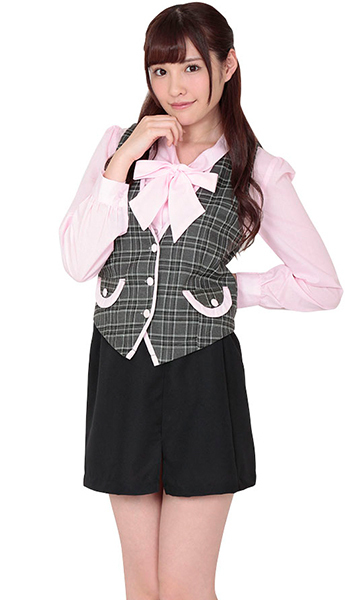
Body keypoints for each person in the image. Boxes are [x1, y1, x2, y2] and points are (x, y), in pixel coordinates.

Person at [58, 2, 344, 599]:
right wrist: (120, 165)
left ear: (228, 65)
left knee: (185, 586)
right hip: (120, 369)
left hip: (202, 375)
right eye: (160, 71)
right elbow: (79, 262)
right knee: (142, 588)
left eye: (191, 67)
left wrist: (224, 291)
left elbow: (321, 285)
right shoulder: (118, 146)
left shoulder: (257, 169)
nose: (175, 88)